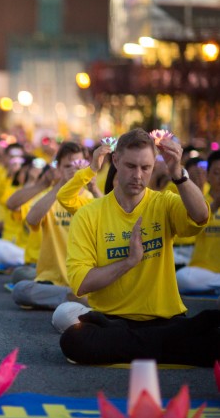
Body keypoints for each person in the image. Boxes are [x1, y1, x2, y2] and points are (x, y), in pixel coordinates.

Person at [57, 128, 218, 366]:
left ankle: (144, 346)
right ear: (116, 160)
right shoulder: (89, 214)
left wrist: (178, 173)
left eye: (146, 168)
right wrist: (128, 262)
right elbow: (81, 283)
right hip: (113, 323)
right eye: (131, 166)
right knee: (74, 339)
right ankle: (162, 348)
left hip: (165, 320)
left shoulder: (164, 202)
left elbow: (201, 215)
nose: (138, 175)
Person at [11, 142, 94, 310]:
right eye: (67, 166)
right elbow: (32, 220)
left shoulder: (92, 199)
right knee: (20, 290)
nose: (73, 170)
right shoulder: (49, 197)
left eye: (79, 165)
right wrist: (61, 185)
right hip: (51, 279)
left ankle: (66, 299)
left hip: (81, 281)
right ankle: (68, 298)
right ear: (59, 169)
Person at [175, 150, 220, 294]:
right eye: (217, 173)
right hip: (201, 270)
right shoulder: (198, 200)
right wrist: (214, 206)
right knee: (181, 278)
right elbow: (191, 227)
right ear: (207, 175)